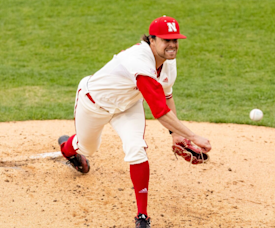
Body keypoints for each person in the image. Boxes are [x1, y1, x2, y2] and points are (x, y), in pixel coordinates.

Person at [57, 15, 212, 228]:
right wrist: (192, 136)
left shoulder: (169, 63)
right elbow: (160, 112)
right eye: (166, 40)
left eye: (175, 40)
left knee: (136, 148)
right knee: (87, 147)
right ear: (152, 40)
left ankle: (142, 216)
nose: (172, 45)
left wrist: (176, 134)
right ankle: (68, 149)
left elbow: (167, 97)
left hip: (128, 106)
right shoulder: (139, 59)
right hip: (94, 104)